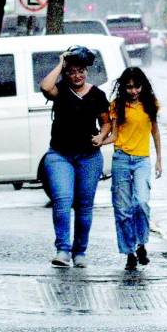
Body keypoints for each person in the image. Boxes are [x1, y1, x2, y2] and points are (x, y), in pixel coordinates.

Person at [39, 46, 111, 268]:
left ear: (86, 71)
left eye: (80, 71)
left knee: (84, 205)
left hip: (89, 157)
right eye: (71, 72)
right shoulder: (60, 90)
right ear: (66, 73)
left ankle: (80, 251)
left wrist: (101, 136)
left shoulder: (97, 95)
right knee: (62, 201)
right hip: (60, 155)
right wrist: (61, 62)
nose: (76, 76)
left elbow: (107, 122)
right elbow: (45, 86)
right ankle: (63, 250)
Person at [105, 67, 163, 271]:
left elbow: (155, 131)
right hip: (121, 158)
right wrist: (97, 141)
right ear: (123, 87)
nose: (133, 91)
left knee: (141, 202)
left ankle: (141, 243)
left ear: (143, 86)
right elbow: (113, 135)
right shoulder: (117, 106)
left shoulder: (150, 105)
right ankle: (129, 252)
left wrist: (159, 160)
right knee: (123, 209)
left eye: (137, 86)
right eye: (129, 87)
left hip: (142, 160)